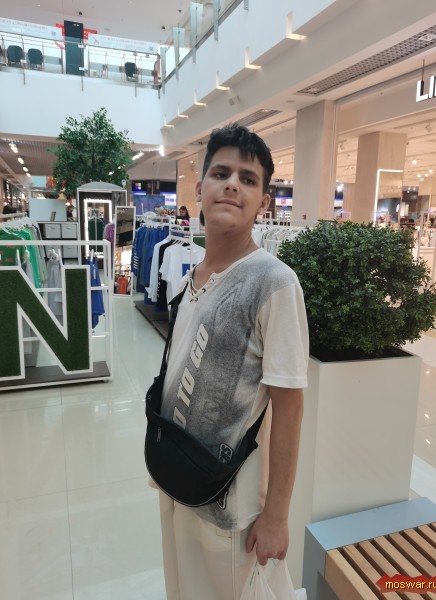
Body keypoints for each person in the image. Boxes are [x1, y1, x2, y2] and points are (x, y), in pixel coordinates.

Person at [155, 123, 309, 599]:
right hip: (174, 478)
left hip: (229, 507)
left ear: (264, 201)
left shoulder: (274, 282)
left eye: (248, 179)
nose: (232, 185)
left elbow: (289, 405)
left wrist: (277, 515)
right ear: (199, 189)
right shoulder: (194, 276)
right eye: (221, 173)